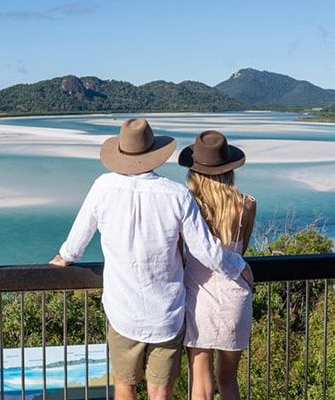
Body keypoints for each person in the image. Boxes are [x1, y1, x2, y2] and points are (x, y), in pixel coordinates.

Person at [49, 118, 250, 400]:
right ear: (154, 152)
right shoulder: (177, 195)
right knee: (160, 392)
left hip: (123, 310)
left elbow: (78, 239)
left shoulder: (103, 187)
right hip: (166, 313)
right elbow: (206, 251)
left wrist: (65, 257)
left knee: (124, 387)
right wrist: (239, 267)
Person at [178, 130, 256, 400]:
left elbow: (180, 251)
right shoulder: (246, 205)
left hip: (198, 297)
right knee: (229, 380)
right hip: (236, 295)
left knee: (200, 380)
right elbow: (240, 250)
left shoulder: (189, 206)